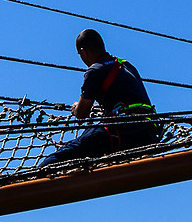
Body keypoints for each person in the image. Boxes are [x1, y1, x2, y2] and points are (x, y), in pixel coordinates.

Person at [50, 28, 164, 162]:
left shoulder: (95, 70)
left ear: (83, 52)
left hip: (122, 130)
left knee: (61, 154)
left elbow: (82, 113)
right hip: (148, 130)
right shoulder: (126, 65)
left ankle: (35, 179)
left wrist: (76, 107)